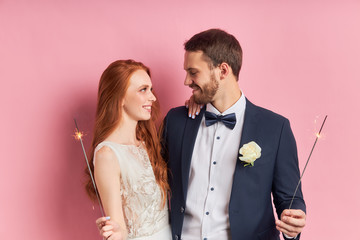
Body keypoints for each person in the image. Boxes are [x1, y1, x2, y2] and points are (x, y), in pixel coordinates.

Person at [99, 29, 307, 240]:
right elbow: (149, 179)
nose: (186, 81)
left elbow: (289, 199)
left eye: (193, 72)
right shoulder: (176, 121)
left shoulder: (275, 128)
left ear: (223, 71)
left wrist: (294, 223)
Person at [86, 60, 173, 240]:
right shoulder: (107, 155)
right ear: (120, 97)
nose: (153, 97)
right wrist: (115, 232)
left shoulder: (147, 143)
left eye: (151, 89)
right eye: (143, 90)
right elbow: (119, 227)